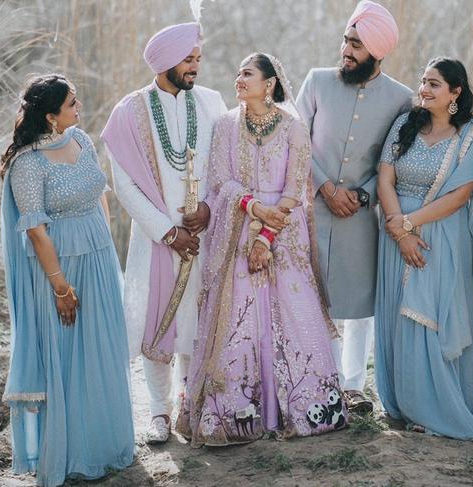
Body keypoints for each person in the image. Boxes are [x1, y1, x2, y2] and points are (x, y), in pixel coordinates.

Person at [181, 53, 347, 447]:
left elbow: (295, 189)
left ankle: (302, 408)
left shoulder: (293, 127)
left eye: (248, 73)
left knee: (292, 310)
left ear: (269, 83)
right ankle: (241, 413)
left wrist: (266, 237)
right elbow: (220, 181)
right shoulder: (225, 125)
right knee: (240, 314)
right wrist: (254, 209)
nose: (239, 79)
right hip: (238, 229)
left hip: (284, 233)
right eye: (237, 72)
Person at [0, 74, 134, 486]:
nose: (79, 108)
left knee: (102, 349)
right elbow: (36, 232)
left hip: (98, 258)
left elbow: (100, 196)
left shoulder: (82, 140)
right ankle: (73, 453)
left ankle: (107, 445)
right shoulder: (27, 164)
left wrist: (109, 253)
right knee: (70, 355)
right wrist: (61, 287)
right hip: (60, 269)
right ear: (50, 115)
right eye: (72, 104)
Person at [101, 22, 227, 444]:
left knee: (198, 318)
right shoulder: (129, 112)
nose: (195, 67)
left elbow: (226, 166)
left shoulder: (211, 103)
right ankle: (158, 412)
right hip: (156, 239)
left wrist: (209, 209)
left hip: (205, 233)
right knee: (158, 320)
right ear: (163, 62)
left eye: (197, 58)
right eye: (187, 60)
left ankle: (190, 404)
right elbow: (124, 186)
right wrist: (168, 233)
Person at [296, 0, 413, 413]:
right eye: (346, 40)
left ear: (377, 52)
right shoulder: (317, 80)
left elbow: (394, 157)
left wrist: (362, 193)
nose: (347, 50)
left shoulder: (401, 98)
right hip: (311, 207)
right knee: (312, 294)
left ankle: (353, 386)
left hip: (362, 214)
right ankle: (318, 378)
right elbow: (293, 144)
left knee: (359, 302)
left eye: (357, 45)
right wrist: (325, 187)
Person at [375, 58, 473, 439]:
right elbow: (385, 177)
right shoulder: (405, 124)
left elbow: (461, 195)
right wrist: (399, 231)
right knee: (396, 315)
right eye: (423, 82)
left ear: (456, 93)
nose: (424, 89)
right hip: (396, 236)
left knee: (426, 319)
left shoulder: (472, 136)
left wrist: (410, 225)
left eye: (434, 84)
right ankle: (401, 404)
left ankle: (430, 406)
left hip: (438, 238)